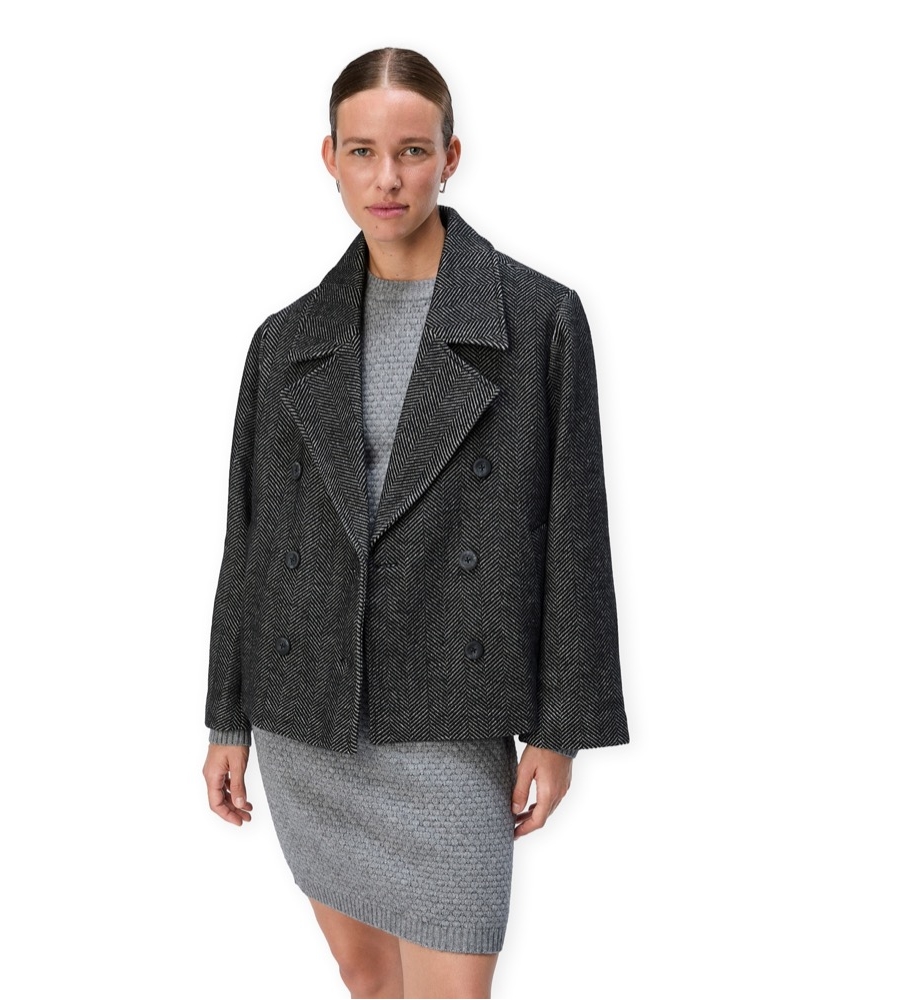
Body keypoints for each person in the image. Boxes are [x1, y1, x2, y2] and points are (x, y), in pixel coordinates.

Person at [202, 47, 629, 1000]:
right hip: (308, 713)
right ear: (330, 158)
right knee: (367, 980)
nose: (386, 178)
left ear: (451, 156)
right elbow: (251, 539)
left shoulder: (539, 319)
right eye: (362, 151)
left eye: (411, 151)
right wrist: (227, 716)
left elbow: (574, 536)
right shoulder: (285, 339)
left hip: (451, 715)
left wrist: (560, 731)